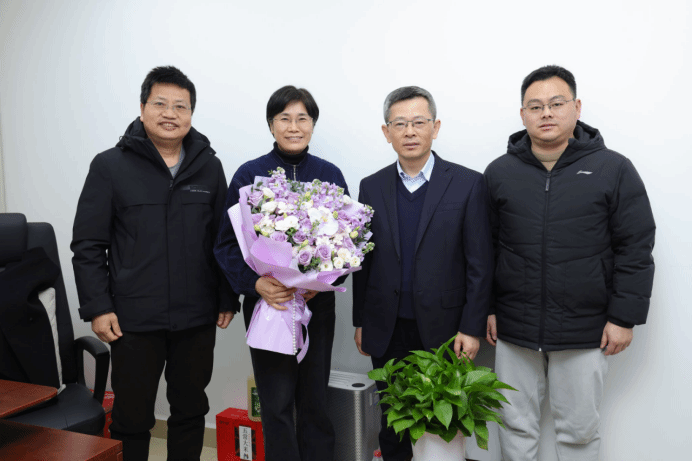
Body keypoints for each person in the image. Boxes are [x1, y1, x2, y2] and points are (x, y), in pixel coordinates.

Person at [484, 65, 655, 461]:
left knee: (578, 432)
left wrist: (623, 317)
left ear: (576, 108)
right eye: (535, 106)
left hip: (585, 328)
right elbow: (485, 249)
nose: (546, 113)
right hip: (514, 327)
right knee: (514, 425)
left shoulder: (613, 169)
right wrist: (488, 308)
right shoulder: (500, 172)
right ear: (522, 114)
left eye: (557, 103)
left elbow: (635, 246)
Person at [71, 66, 237, 461]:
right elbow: (88, 244)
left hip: (196, 316)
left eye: (181, 106)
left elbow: (224, 239)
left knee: (190, 410)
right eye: (160, 103)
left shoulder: (209, 167)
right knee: (132, 416)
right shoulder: (110, 166)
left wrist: (227, 297)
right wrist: (98, 307)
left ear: (191, 113)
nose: (170, 113)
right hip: (134, 319)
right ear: (143, 107)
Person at [352, 86, 493, 461]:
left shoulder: (468, 183)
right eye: (400, 124)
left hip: (446, 330)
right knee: (392, 421)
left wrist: (472, 327)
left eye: (419, 122)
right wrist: (361, 321)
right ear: (387, 132)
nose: (410, 131)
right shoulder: (371, 186)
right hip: (386, 327)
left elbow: (480, 264)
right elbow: (363, 262)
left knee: (442, 425)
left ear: (436, 127)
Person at [214, 85, 349, 461]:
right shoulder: (249, 174)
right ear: (271, 124)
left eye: (302, 118)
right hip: (268, 306)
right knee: (275, 404)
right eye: (284, 118)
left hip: (315, 308)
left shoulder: (329, 175)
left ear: (313, 124)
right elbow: (226, 244)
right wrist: (255, 284)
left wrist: (322, 283)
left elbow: (346, 242)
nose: (294, 126)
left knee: (315, 400)